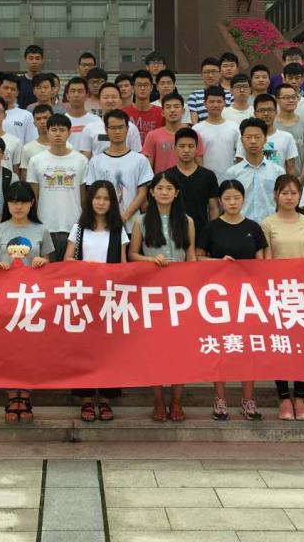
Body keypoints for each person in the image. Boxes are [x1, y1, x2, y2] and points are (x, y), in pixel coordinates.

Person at [198, 179, 269, 421]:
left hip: (248, 298)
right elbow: (197, 259)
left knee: (248, 348)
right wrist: (219, 263)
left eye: (236, 198)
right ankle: (220, 399)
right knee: (219, 347)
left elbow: (262, 262)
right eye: (227, 198)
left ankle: (248, 400)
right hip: (218, 299)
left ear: (243, 199)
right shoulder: (211, 227)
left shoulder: (253, 227)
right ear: (220, 201)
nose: (232, 203)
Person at [129, 174, 196, 423]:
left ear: (176, 193)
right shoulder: (142, 221)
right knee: (155, 349)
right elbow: (132, 254)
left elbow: (191, 255)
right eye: (160, 188)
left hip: (181, 292)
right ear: (152, 192)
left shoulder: (187, 221)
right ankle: (158, 400)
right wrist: (151, 260)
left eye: (169, 188)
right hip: (153, 292)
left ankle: (176, 401)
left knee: (180, 350)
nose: (164, 192)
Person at [63, 180, 127, 422]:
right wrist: (90, 268)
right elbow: (68, 259)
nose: (101, 202)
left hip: (110, 297)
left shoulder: (118, 229)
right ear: (90, 201)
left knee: (110, 350)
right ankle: (87, 399)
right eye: (97, 198)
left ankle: (107, 399)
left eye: (106, 199)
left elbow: (123, 265)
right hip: (84, 297)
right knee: (84, 349)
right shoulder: (79, 229)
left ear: (112, 203)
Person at [261, 175, 304, 421]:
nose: (289, 197)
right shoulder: (267, 223)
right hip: (278, 292)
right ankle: (283, 398)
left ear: (300, 196)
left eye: (294, 193)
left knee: (303, 347)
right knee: (281, 346)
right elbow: (266, 260)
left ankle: (300, 398)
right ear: (276, 195)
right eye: (284, 193)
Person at [26, 113, 89, 258]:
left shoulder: (81, 161)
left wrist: (84, 222)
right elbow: (34, 196)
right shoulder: (36, 161)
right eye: (54, 130)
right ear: (47, 132)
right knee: (47, 270)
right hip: (45, 226)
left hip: (74, 226)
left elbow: (83, 196)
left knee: (71, 269)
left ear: (69, 133)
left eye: (62, 130)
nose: (58, 134)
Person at [84, 109, 153, 233]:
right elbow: (93, 193)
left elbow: (142, 193)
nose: (117, 132)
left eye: (121, 127)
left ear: (127, 129)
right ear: (106, 130)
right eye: (113, 128)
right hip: (104, 226)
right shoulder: (96, 161)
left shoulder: (140, 160)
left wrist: (123, 218)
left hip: (133, 226)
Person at [221, 118, 285, 223]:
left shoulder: (278, 171)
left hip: (270, 226)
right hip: (240, 226)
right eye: (248, 137)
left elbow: (281, 203)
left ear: (265, 139)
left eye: (257, 137)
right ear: (242, 140)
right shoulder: (232, 173)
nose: (253, 141)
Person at [163, 128, 219, 239]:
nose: (186, 150)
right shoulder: (166, 176)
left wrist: (211, 234)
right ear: (175, 148)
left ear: (197, 148)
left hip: (202, 234)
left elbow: (213, 208)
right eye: (182, 146)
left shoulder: (208, 176)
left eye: (191, 146)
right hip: (172, 234)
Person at [76, 84, 143, 157]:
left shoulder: (131, 128)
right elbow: (85, 157)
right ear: (99, 101)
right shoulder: (90, 128)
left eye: (114, 97)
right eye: (106, 97)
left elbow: (137, 155)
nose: (110, 100)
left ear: (120, 101)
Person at [143, 94, 203, 173]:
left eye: (176, 106)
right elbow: (147, 169)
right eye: (168, 107)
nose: (172, 110)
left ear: (183, 111)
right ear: (162, 112)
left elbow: (199, 166)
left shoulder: (193, 135)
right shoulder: (152, 136)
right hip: (163, 180)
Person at [240, 93, 299, 174]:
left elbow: (291, 168)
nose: (266, 114)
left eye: (270, 110)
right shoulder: (246, 137)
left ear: (276, 112)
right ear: (255, 113)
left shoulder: (287, 137)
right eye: (262, 110)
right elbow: (240, 164)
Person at [274, 83, 304, 178]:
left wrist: (301, 177)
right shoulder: (271, 125)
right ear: (277, 100)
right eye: (286, 97)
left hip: (301, 179)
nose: (291, 100)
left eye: (294, 97)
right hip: (275, 178)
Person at [192, 86, 240, 176]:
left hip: (230, 177)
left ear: (224, 103)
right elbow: (196, 157)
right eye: (211, 102)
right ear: (204, 104)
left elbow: (239, 154)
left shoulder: (234, 127)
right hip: (206, 178)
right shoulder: (196, 129)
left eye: (219, 101)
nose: (215, 105)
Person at [0, 73, 36, 144]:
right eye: (6, 88)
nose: (9, 92)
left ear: (17, 93)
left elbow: (30, 143)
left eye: (13, 89)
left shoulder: (26, 116)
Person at [123, 70, 164, 139]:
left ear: (151, 88)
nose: (142, 88)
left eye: (146, 85)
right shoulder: (123, 113)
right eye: (139, 85)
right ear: (133, 88)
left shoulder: (162, 113)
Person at [20, 104, 55, 179]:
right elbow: (24, 176)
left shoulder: (65, 146)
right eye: (38, 119)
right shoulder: (27, 149)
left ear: (52, 119)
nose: (42, 122)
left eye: (45, 118)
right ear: (34, 123)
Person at [187, 58, 226, 123]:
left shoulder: (229, 95)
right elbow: (194, 123)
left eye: (213, 72)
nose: (210, 75)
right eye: (207, 72)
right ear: (201, 75)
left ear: (220, 74)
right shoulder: (194, 96)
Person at [17, 44, 45, 109]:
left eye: (37, 59)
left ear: (42, 60)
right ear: (25, 60)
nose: (34, 62)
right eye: (31, 58)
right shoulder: (18, 81)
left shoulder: (47, 81)